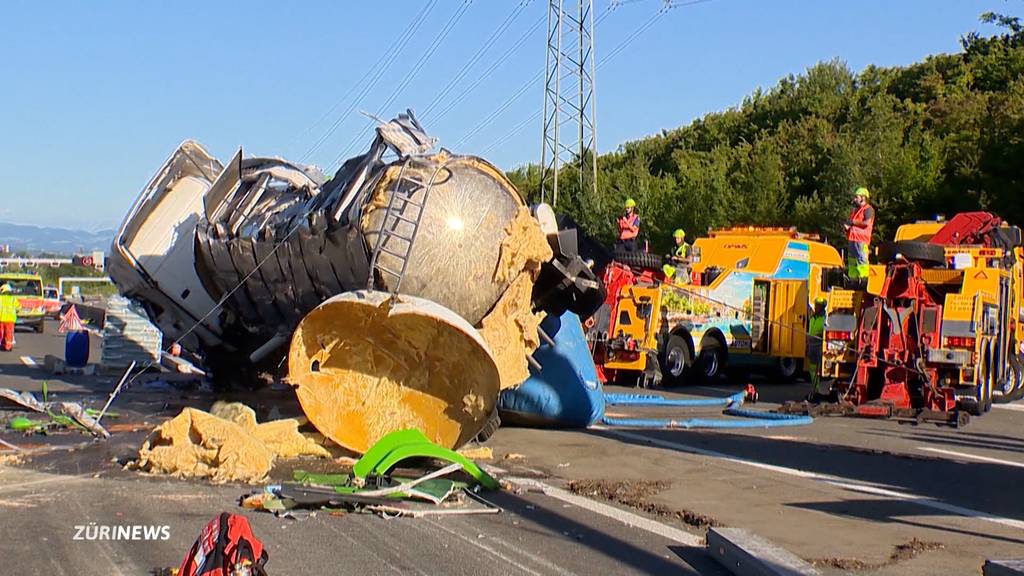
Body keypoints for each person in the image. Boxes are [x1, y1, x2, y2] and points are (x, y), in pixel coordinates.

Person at [844, 187, 874, 281]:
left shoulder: (868, 209)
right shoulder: (855, 210)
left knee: (862, 260)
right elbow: (852, 223)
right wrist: (847, 227)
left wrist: (853, 222)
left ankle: (863, 279)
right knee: (852, 260)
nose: (854, 199)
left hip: (862, 240)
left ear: (863, 197)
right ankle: (853, 280)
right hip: (852, 239)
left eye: (856, 197)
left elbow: (866, 223)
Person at [806, 296, 827, 401]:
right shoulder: (813, 318)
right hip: (811, 345)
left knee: (818, 368)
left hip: (819, 345)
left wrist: (820, 335)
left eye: (818, 305)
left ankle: (817, 389)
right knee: (812, 368)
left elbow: (825, 331)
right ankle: (814, 388)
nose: (816, 307)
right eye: (815, 305)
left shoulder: (824, 318)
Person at [0, 283, 17, 352]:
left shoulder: (0, 298)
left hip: (1, 319)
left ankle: (2, 344)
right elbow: (18, 307)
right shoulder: (13, 299)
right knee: (9, 333)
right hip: (10, 319)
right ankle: (8, 346)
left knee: (1, 332)